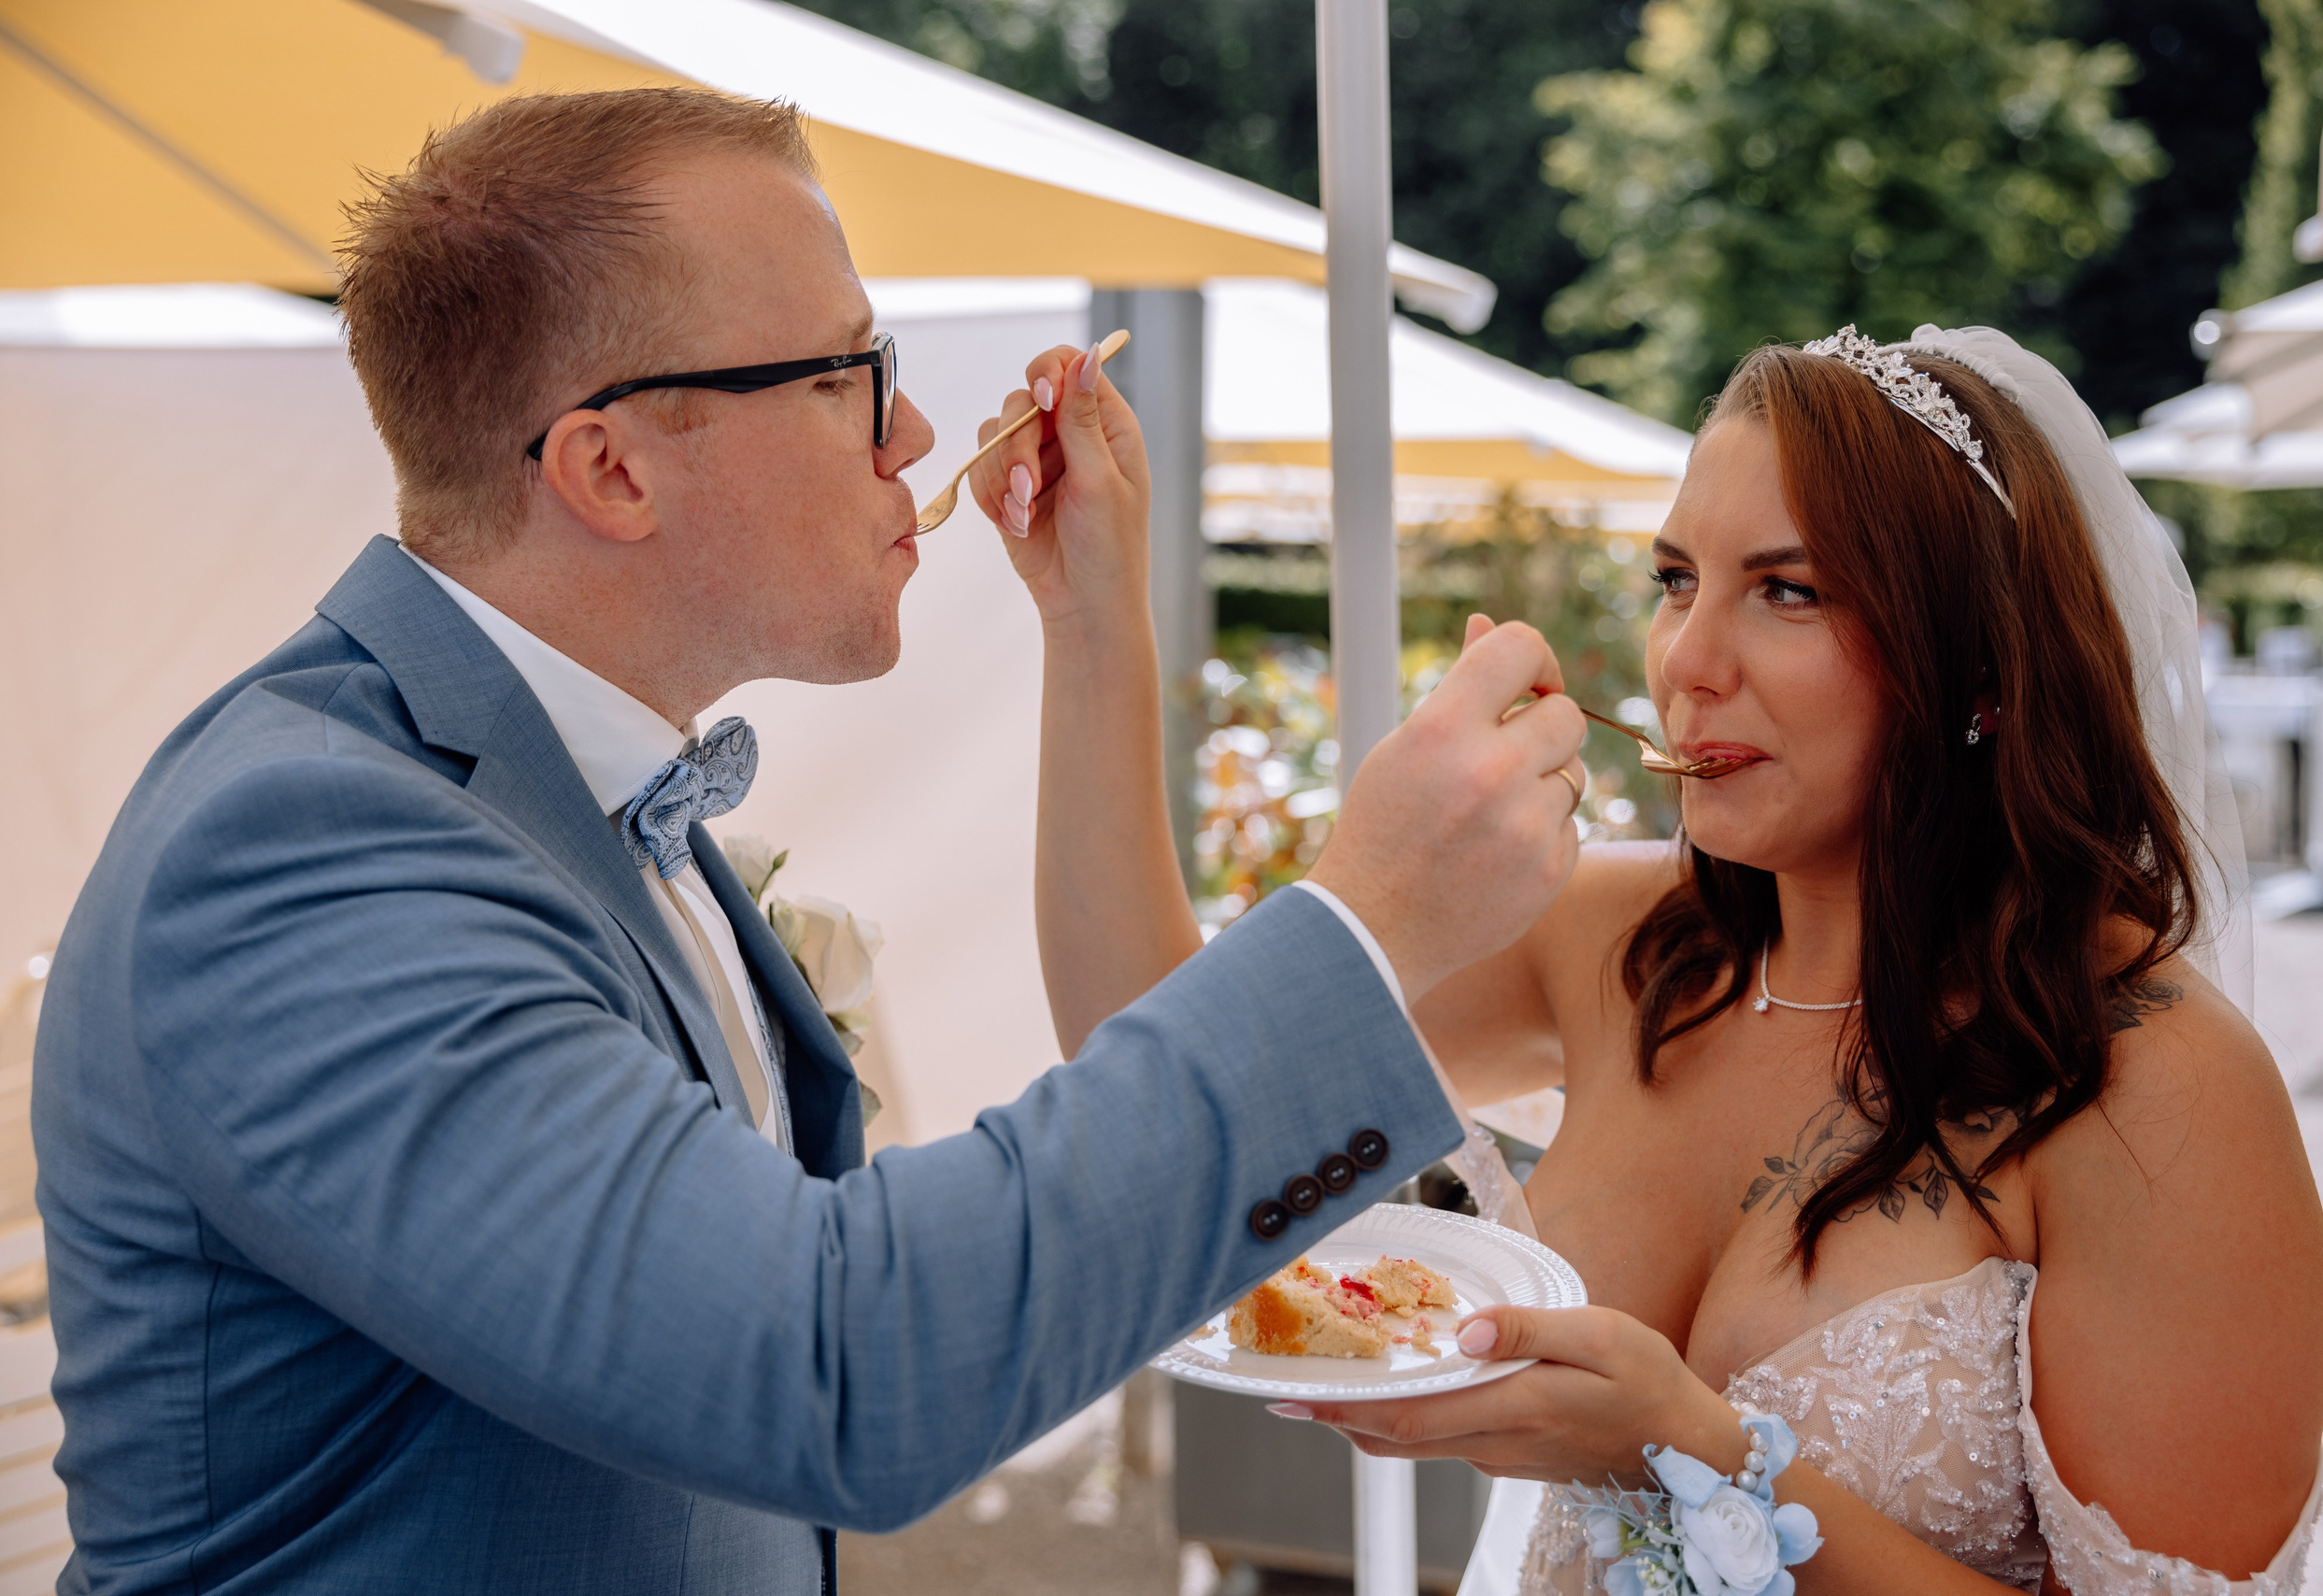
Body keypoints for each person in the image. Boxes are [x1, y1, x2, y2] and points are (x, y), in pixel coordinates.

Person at [30, 88, 1595, 1593]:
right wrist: (1368, 916)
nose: (913, 428)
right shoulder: (307, 853)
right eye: (850, 366)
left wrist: (1091, 623)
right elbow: (834, 1369)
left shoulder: (564, 795)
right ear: (613, 467)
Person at [1017, 325, 2323, 1593]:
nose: (1687, 662)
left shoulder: (2151, 1081)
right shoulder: (1617, 944)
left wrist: (1687, 1455)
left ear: (1979, 667)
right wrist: (1090, 615)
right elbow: (1159, 1071)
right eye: (1676, 581)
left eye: (1787, 591)